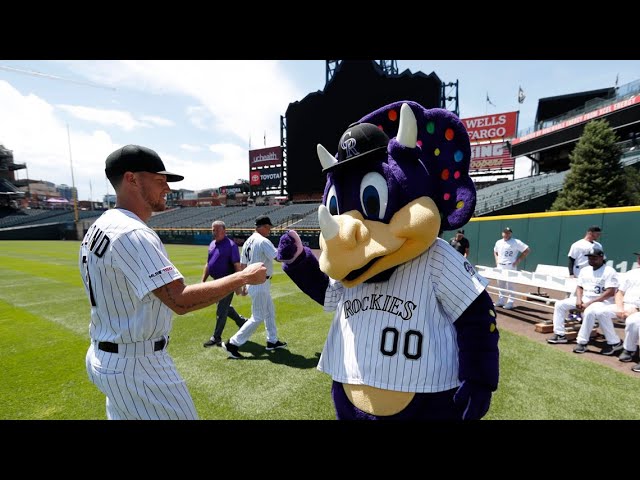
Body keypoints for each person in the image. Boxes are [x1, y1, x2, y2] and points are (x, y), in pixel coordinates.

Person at [79, 145, 267, 420]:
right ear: (131, 178)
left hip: (106, 354)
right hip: (138, 365)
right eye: (159, 180)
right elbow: (179, 300)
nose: (166, 187)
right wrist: (244, 276)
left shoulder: (100, 226)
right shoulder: (133, 232)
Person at [223, 215, 287, 359]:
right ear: (263, 227)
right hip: (260, 282)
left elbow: (243, 265)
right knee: (257, 317)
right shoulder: (263, 241)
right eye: (268, 228)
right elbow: (278, 257)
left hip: (254, 281)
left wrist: (244, 283)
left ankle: (272, 341)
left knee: (269, 311)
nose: (269, 231)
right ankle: (232, 344)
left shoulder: (248, 242)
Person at [547, 247, 619, 348]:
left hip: (603, 302)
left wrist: (589, 303)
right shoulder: (585, 270)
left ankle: (582, 342)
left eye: (594, 257)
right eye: (589, 257)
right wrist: (578, 299)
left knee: (588, 311)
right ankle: (560, 335)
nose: (591, 260)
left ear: (602, 258)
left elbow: (610, 292)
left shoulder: (609, 271)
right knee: (560, 304)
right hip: (586, 298)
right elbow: (580, 286)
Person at [580, 251, 640, 362]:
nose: (639, 260)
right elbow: (619, 292)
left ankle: (629, 350)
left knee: (632, 321)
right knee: (600, 312)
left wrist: (636, 310)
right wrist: (620, 308)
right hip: (625, 305)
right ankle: (614, 342)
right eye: (639, 257)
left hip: (637, 309)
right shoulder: (631, 273)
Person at [202, 220, 248, 348]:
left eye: (217, 230)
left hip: (227, 282)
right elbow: (208, 264)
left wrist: (240, 284)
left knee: (221, 310)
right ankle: (242, 321)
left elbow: (237, 266)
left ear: (224, 231)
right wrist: (203, 281)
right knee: (224, 307)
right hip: (215, 281)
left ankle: (216, 337)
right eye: (213, 230)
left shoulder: (231, 245)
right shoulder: (212, 244)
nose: (214, 232)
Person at [493, 227, 530, 309]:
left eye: (508, 233)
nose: (506, 234)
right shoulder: (498, 242)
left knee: (511, 285)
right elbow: (495, 251)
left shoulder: (516, 242)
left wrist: (518, 260)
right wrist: (497, 261)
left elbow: (527, 250)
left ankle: (510, 302)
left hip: (510, 265)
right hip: (500, 265)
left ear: (510, 233)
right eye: (505, 232)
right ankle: (501, 301)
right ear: (502, 233)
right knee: (500, 284)